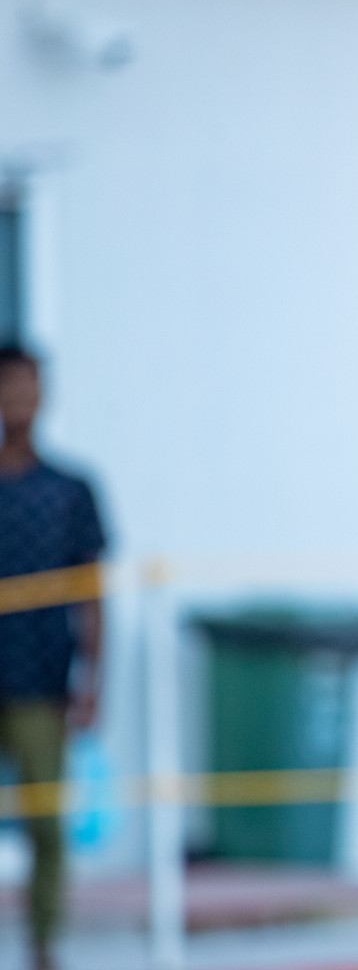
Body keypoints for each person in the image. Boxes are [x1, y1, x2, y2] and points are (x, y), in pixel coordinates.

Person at [0, 344, 109, 970]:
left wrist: (95, 677)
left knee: (45, 824)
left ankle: (43, 946)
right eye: (10, 384)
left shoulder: (70, 490)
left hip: (43, 681)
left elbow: (90, 593)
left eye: (30, 385)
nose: (20, 396)